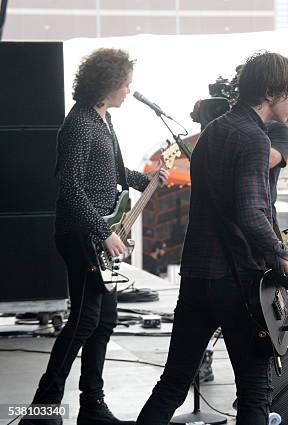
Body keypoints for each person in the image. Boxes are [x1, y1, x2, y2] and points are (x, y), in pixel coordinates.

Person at [135, 52, 288, 425]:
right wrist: (283, 257)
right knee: (254, 391)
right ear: (273, 91)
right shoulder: (253, 138)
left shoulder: (212, 132)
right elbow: (250, 212)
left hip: (198, 274)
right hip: (237, 280)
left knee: (174, 382)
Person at [19, 48, 169, 425]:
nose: (129, 89)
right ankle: (42, 409)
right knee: (85, 321)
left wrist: (146, 180)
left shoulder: (103, 120)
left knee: (104, 322)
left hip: (98, 236)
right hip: (81, 236)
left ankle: (92, 406)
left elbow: (112, 172)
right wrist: (104, 232)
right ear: (108, 83)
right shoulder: (80, 123)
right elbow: (70, 187)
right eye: (125, 82)